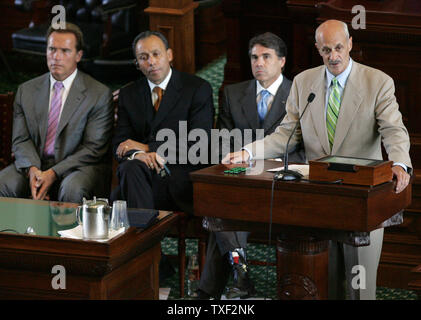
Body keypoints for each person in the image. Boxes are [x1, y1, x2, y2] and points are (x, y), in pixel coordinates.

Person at [223, 20, 411, 300]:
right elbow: (286, 134)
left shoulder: (378, 82)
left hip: (361, 200)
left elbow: (393, 129)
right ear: (317, 50)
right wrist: (249, 152)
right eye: (326, 50)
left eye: (338, 48)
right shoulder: (304, 82)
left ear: (349, 44)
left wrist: (399, 162)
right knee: (324, 285)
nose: (333, 56)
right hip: (319, 199)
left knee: (359, 289)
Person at [197, 32, 305, 300]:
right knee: (224, 207)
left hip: (281, 181)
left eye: (266, 57)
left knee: (222, 214)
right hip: (241, 178)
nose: (259, 63)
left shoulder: (299, 94)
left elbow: (304, 150)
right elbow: (222, 142)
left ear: (281, 61)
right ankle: (240, 277)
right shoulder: (233, 94)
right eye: (255, 57)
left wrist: (263, 165)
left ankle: (212, 290)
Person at [0, 23, 113, 203]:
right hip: (34, 164)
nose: (56, 57)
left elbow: (93, 149)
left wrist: (53, 173)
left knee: (72, 189)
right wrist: (33, 170)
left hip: (78, 167)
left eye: (65, 51)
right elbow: (21, 140)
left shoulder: (98, 94)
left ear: (78, 55)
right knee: (3, 184)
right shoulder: (26, 90)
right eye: (52, 49)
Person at [111, 30, 214, 220]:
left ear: (169, 55)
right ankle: (148, 243)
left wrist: (149, 148)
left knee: (128, 181)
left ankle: (143, 245)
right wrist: (140, 155)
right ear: (137, 64)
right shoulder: (129, 94)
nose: (151, 62)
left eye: (156, 54)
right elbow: (120, 143)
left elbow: (200, 144)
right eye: (143, 57)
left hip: (180, 175)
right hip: (141, 173)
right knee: (130, 168)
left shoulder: (197, 88)